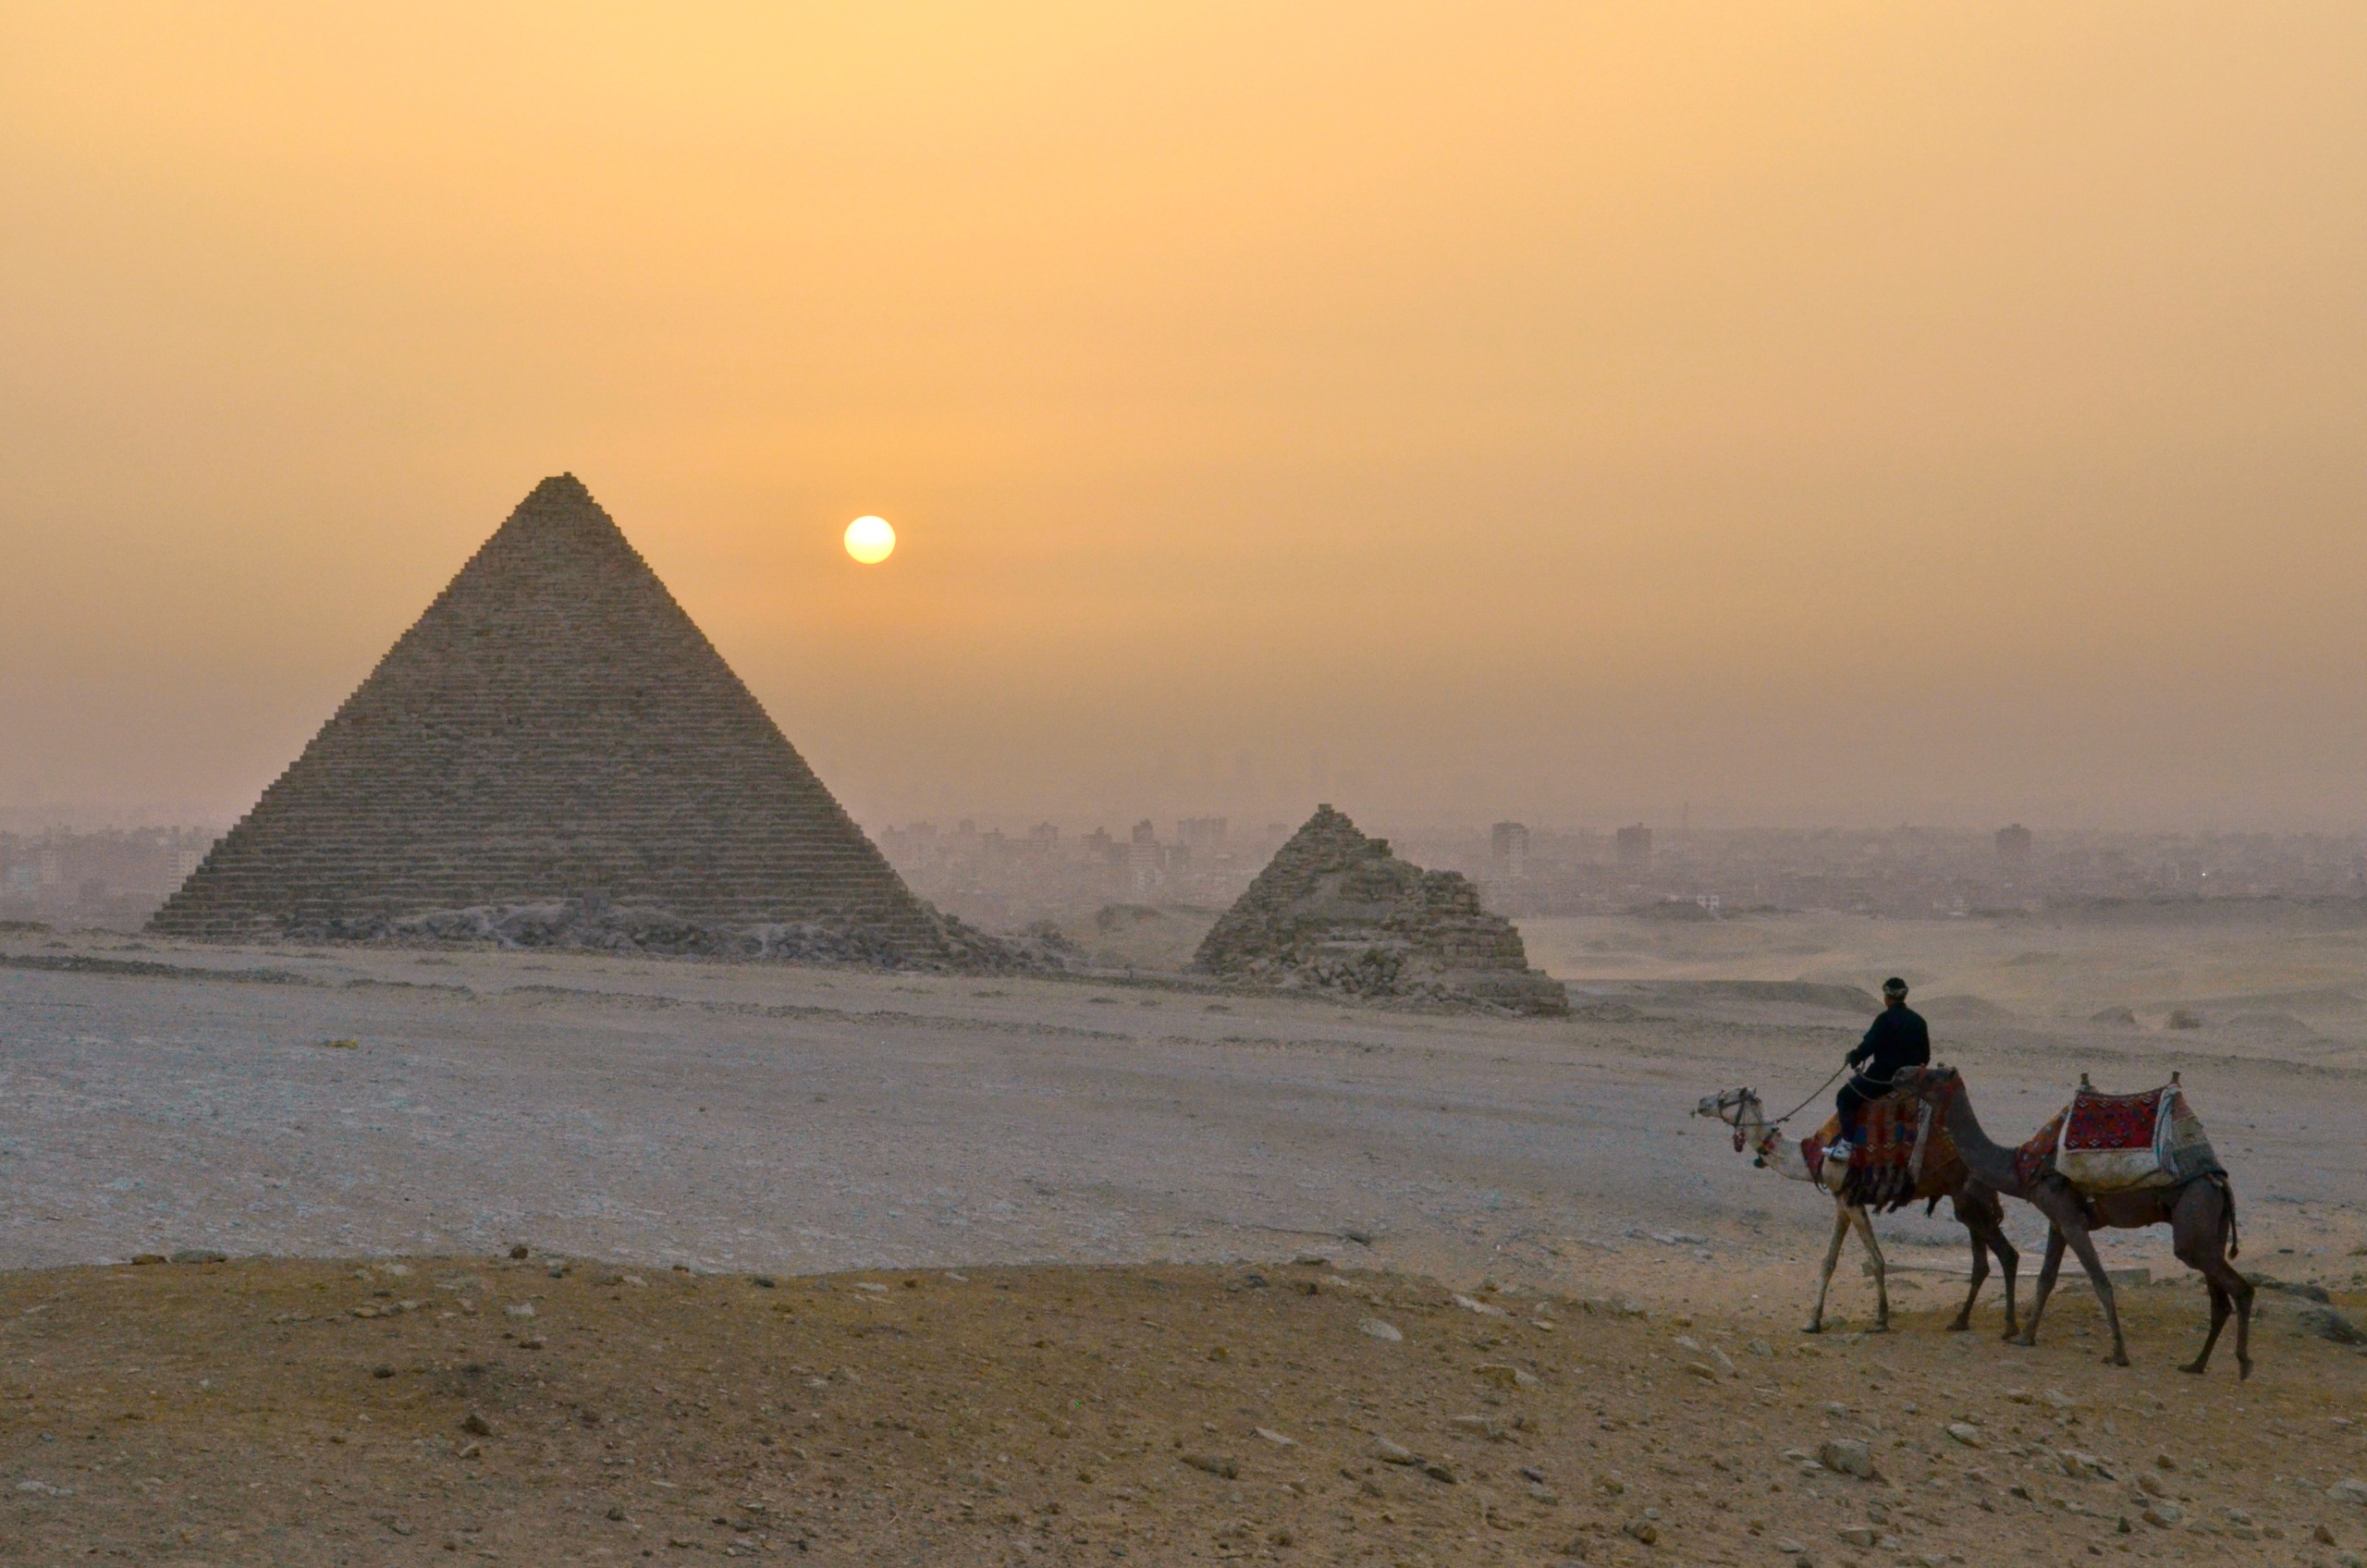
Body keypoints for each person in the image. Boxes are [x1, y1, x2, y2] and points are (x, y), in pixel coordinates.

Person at [1831, 976, 1930, 1158]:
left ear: (1887, 997)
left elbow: (1869, 1046)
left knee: (1844, 1096)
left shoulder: (1884, 1019)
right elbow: (1925, 1057)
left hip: (1882, 1079)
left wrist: (1854, 1057)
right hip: (1909, 1080)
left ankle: (1846, 1144)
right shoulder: (1919, 1021)